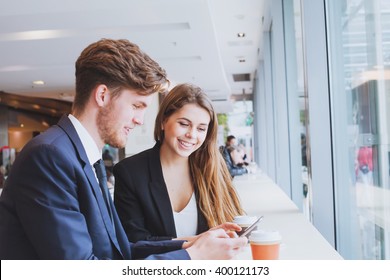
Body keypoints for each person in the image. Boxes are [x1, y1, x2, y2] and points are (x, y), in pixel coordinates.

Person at [0, 39, 247, 260]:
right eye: (137, 105)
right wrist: (192, 257)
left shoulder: (85, 158)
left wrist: (193, 243)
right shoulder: (49, 157)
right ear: (103, 95)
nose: (140, 119)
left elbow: (122, 250)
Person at [114, 83, 245, 243]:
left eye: (201, 128)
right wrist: (197, 242)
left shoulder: (213, 168)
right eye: (184, 124)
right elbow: (134, 242)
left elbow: (232, 225)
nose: (192, 135)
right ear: (163, 121)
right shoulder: (130, 172)